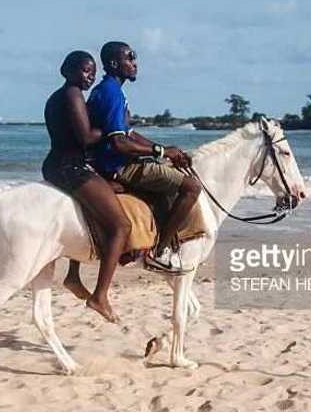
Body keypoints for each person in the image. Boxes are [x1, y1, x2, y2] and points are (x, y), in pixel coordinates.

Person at [87, 41, 200, 272]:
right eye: (130, 58)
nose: (135, 63)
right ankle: (160, 251)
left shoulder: (110, 90)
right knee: (191, 187)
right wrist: (160, 152)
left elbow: (128, 133)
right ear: (114, 63)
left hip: (114, 161)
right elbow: (119, 143)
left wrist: (165, 149)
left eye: (134, 57)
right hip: (118, 166)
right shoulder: (111, 93)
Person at [42, 50, 131, 323]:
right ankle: (100, 296)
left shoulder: (61, 96)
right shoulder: (72, 95)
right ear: (67, 70)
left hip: (57, 165)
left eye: (92, 71)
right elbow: (85, 137)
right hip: (70, 169)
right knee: (121, 226)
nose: (90, 76)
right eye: (84, 70)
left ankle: (73, 276)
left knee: (98, 203)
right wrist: (115, 127)